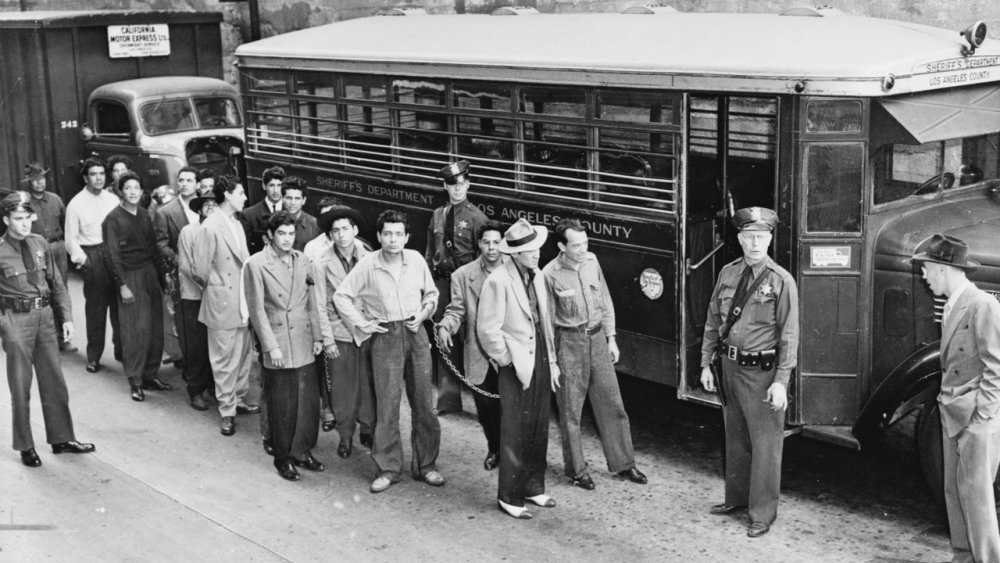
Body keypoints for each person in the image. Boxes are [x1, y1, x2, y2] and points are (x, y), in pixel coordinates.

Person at [699, 206, 798, 538]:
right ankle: (737, 499)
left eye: (761, 236)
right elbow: (714, 320)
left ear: (770, 238)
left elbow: (789, 335)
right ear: (739, 239)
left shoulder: (781, 281)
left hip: (762, 373)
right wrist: (705, 363)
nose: (755, 243)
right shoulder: (727, 273)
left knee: (766, 444)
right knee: (736, 436)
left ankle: (762, 513)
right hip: (729, 366)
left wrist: (782, 382)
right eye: (748, 237)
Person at [333, 209, 443, 494]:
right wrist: (363, 324)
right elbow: (341, 296)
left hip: (415, 332)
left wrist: (424, 313)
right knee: (387, 406)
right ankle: (388, 468)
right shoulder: (368, 264)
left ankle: (426, 465)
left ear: (406, 237)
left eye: (398, 234)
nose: (393, 239)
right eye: (387, 234)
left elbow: (432, 294)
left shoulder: (417, 260)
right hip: (385, 337)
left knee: (423, 404)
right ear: (379, 236)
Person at [912, 234, 1000, 563]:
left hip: (975, 419)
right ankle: (963, 555)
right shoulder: (952, 305)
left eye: (926, 270)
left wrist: (981, 421)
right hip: (953, 413)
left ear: (942, 269)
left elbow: (997, 367)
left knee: (977, 500)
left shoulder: (982, 305)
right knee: (954, 494)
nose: (923, 276)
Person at [542, 218, 647, 490]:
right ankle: (577, 470)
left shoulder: (592, 261)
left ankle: (624, 463)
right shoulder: (549, 274)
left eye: (585, 243)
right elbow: (546, 321)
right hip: (569, 343)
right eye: (576, 245)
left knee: (612, 403)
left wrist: (612, 339)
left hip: (598, 339)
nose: (582, 249)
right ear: (561, 246)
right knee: (570, 411)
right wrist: (553, 360)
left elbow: (606, 300)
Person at [0, 192, 95, 467]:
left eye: (27, 217)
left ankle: (62, 438)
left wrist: (66, 317)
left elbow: (56, 283)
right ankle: (25, 445)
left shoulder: (40, 242)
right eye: (17, 219)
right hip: (16, 319)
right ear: (6, 220)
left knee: (54, 379)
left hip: (44, 318)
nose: (24, 224)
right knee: (20, 385)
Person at [477, 218, 561, 519]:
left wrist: (550, 360)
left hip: (538, 354)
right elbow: (487, 330)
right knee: (514, 428)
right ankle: (509, 496)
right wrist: (507, 360)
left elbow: (545, 323)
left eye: (536, 247)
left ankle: (533, 487)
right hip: (515, 360)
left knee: (539, 423)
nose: (536, 253)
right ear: (514, 254)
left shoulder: (536, 275)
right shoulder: (498, 280)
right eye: (528, 250)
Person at [244, 211, 335, 481]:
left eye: (291, 234)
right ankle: (283, 458)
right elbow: (257, 310)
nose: (287, 239)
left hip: (304, 340)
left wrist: (318, 337)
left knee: (307, 402)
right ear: (271, 235)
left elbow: (312, 302)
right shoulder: (257, 264)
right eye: (281, 234)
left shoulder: (303, 260)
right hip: (279, 342)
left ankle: (302, 451)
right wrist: (271, 346)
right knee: (282, 403)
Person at [193, 175, 260, 436]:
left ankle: (239, 398)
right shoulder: (210, 227)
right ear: (228, 194)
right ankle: (227, 411)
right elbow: (200, 270)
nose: (245, 197)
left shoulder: (237, 224)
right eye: (241, 192)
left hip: (242, 301)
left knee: (243, 356)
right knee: (224, 360)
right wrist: (219, 290)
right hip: (222, 303)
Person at [436, 221, 505, 471]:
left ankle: (514, 453)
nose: (491, 247)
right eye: (486, 242)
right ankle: (495, 449)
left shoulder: (514, 269)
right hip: (479, 353)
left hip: (509, 352)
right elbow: (456, 310)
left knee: (513, 406)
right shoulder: (463, 276)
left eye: (497, 242)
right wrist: (445, 325)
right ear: (478, 244)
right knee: (486, 408)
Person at [102, 172, 171, 402]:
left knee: (154, 328)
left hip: (150, 274)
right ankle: (135, 380)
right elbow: (112, 256)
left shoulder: (144, 215)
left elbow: (153, 248)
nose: (132, 192)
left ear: (142, 191)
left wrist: (163, 277)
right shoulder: (112, 219)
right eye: (128, 188)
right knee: (134, 331)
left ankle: (150, 374)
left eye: (136, 187)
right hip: (129, 277)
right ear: (121, 191)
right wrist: (122, 285)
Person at [426, 160, 488, 415]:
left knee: (473, 341)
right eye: (452, 184)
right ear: (445, 186)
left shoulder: (476, 218)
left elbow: (483, 258)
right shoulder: (438, 215)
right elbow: (431, 250)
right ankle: (448, 400)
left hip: (466, 286)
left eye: (462, 184)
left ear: (469, 185)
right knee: (444, 339)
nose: (457, 189)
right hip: (442, 283)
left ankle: (484, 402)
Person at [314, 205, 375, 458]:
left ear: (355, 230)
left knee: (368, 385)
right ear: (330, 235)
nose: (340, 235)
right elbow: (318, 303)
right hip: (339, 334)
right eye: (335, 230)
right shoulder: (321, 263)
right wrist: (327, 340)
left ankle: (368, 428)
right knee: (342, 389)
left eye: (345, 229)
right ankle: (346, 434)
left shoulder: (370, 256)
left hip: (368, 331)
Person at [64, 157, 122, 373]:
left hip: (114, 253)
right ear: (85, 178)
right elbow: (71, 239)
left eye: (101, 174)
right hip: (93, 255)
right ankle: (94, 356)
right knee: (96, 310)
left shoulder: (113, 200)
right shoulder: (76, 204)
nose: (98, 178)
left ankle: (121, 350)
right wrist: (85, 261)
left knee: (119, 306)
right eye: (93, 174)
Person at [20, 162, 76, 353]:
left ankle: (63, 337)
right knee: (38, 291)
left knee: (60, 290)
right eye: (35, 180)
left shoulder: (55, 200)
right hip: (35, 250)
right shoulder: (24, 203)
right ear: (29, 183)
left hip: (57, 247)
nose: (39, 183)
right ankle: (41, 339)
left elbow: (65, 223)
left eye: (42, 179)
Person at [176, 185, 217, 411]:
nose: (210, 208)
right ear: (199, 209)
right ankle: (195, 390)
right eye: (206, 205)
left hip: (218, 297)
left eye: (214, 205)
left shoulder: (223, 230)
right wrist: (207, 284)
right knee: (196, 345)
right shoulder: (188, 232)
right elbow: (186, 266)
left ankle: (213, 386)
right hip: (194, 295)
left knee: (215, 343)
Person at [154, 167, 200, 368]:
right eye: (181, 180)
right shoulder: (165, 212)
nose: (184, 184)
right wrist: (179, 261)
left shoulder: (207, 207)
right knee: (184, 318)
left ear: (197, 184)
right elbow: (161, 244)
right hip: (180, 272)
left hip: (207, 272)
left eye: (189, 180)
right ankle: (186, 357)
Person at [240, 165, 284, 256]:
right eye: (271, 185)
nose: (276, 190)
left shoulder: (290, 211)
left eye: (279, 185)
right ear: (264, 186)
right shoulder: (249, 215)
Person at [279, 176, 320, 251]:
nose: (293, 203)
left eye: (297, 198)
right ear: (282, 199)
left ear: (304, 200)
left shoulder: (315, 225)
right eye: (289, 198)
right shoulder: (274, 222)